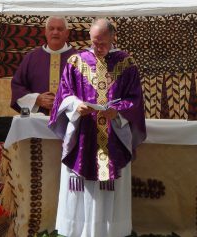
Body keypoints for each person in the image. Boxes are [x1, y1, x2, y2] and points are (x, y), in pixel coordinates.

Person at [48, 18, 146, 237]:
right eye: (94, 42)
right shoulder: (76, 62)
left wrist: (117, 111)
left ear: (113, 38)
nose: (97, 47)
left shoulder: (126, 63)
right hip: (84, 136)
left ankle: (111, 232)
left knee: (109, 189)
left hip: (113, 136)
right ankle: (78, 232)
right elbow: (63, 95)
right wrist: (75, 105)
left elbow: (135, 99)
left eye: (102, 43)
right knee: (81, 189)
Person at [10, 16, 77, 115]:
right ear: (45, 32)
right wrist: (36, 99)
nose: (55, 32)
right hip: (37, 120)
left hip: (69, 120)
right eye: (51, 28)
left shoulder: (79, 59)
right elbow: (17, 87)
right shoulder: (31, 58)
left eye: (60, 29)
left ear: (67, 33)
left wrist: (66, 100)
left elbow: (88, 89)